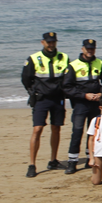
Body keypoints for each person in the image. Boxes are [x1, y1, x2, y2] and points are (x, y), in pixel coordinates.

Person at [22, 31, 70, 177]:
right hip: (41, 99)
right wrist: (33, 93)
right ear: (43, 42)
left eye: (53, 42)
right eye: (48, 42)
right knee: (37, 129)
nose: (51, 44)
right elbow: (26, 79)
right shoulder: (34, 58)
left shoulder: (63, 57)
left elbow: (68, 77)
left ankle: (53, 160)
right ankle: (32, 164)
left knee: (56, 129)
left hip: (57, 99)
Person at [61, 38, 102, 174]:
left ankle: (93, 158)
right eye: (87, 48)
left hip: (96, 104)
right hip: (80, 104)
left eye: (92, 49)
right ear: (82, 49)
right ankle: (72, 162)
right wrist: (84, 95)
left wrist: (101, 94)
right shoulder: (73, 65)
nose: (90, 51)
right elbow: (67, 87)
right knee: (77, 131)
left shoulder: (99, 63)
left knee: (95, 133)